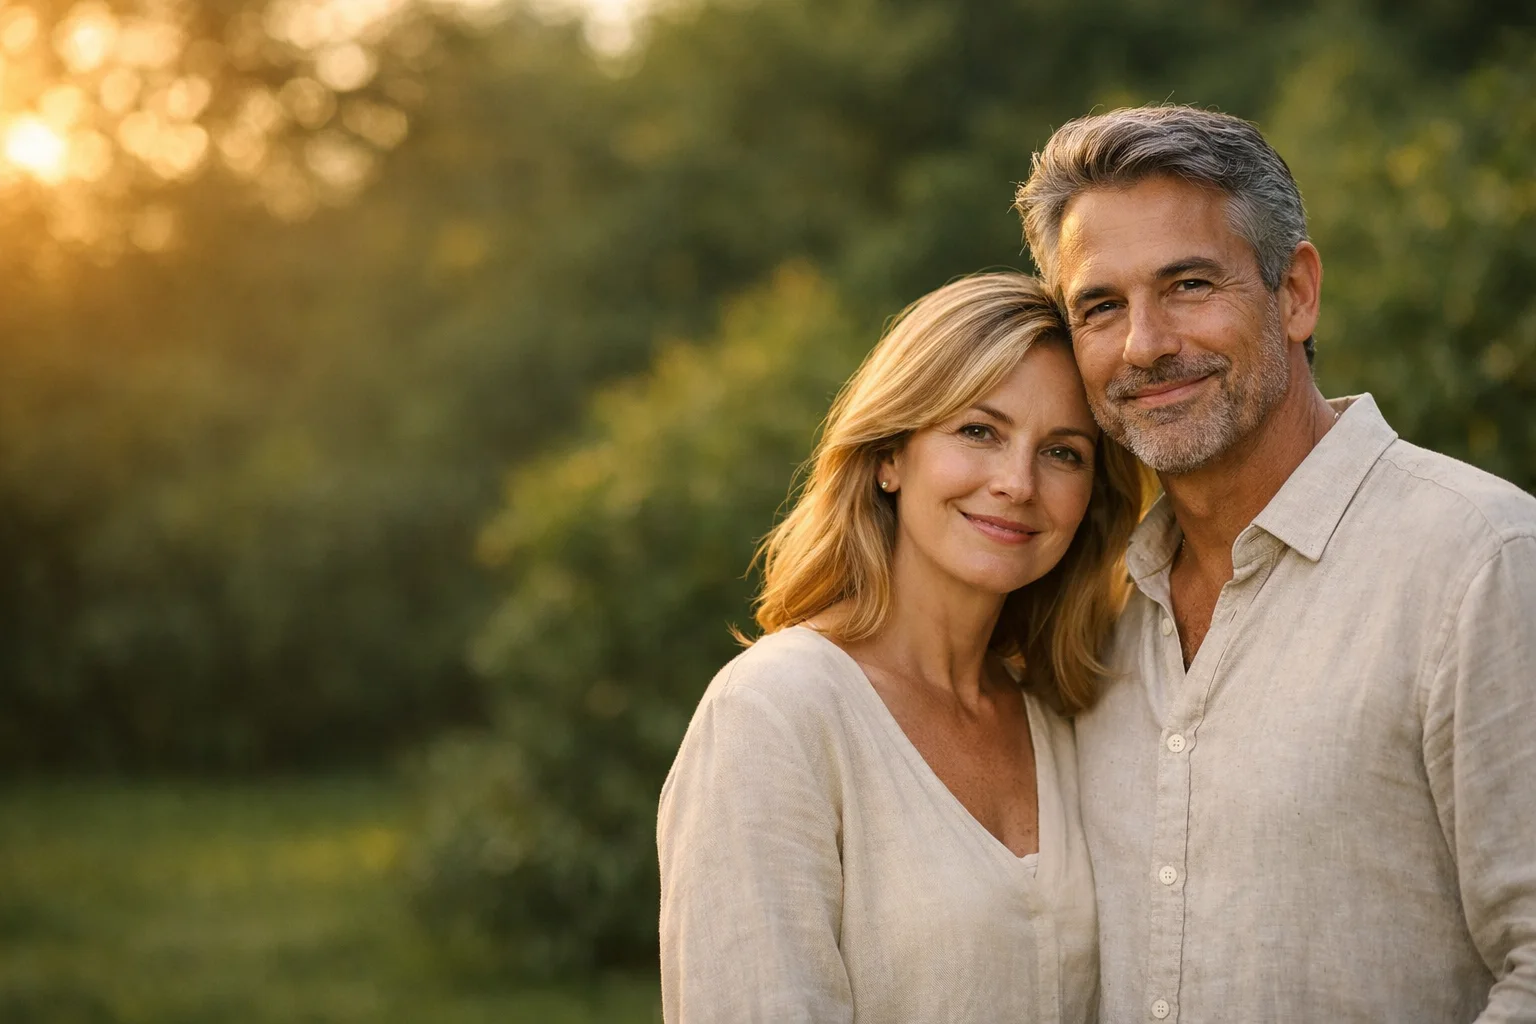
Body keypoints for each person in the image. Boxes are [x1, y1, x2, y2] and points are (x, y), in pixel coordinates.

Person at [1013, 104, 1536, 1022]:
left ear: (1295, 293)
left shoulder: (1483, 561)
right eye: (1101, 307)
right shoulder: (1088, 617)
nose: (1144, 345)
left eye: (1188, 286)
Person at [657, 272, 1146, 1022]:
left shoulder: (1065, 714)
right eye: (978, 431)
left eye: (1063, 452)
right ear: (891, 455)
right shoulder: (775, 712)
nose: (1017, 483)